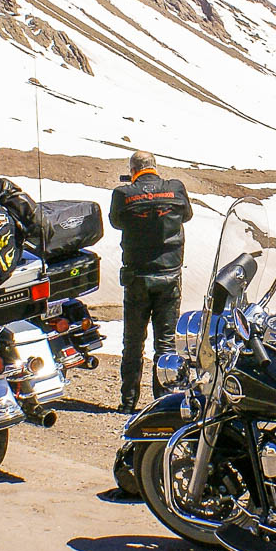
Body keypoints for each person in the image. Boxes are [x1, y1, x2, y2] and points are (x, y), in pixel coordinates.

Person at [109, 151, 193, 412]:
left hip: (138, 278)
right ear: (155, 167)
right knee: (166, 344)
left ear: (133, 169)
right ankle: (163, 402)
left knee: (133, 343)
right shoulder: (175, 189)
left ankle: (128, 402)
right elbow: (186, 215)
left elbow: (115, 221)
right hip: (169, 276)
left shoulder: (123, 194)